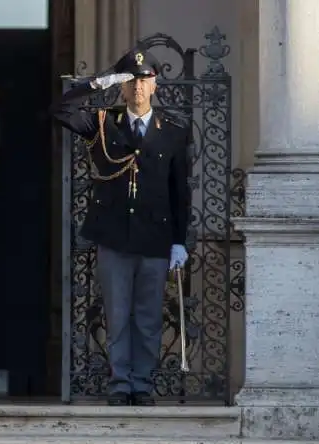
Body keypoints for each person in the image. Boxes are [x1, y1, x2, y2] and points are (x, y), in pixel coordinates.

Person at [53, 47, 192, 406]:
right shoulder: (103, 123)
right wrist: (97, 83)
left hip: (156, 239)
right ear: (121, 86)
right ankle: (120, 384)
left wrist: (179, 241)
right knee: (116, 315)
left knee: (147, 318)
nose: (137, 88)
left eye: (143, 80)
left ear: (155, 84)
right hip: (113, 236)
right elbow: (61, 109)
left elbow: (180, 191)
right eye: (129, 80)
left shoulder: (172, 132)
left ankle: (141, 385)